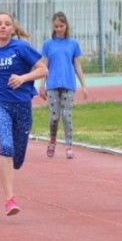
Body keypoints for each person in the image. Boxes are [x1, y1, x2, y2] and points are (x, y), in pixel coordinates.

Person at [0, 12, 47, 216]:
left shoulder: (21, 47)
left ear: (13, 29)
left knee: (17, 158)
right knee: (5, 145)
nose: (2, 27)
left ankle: (13, 163)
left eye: (7, 24)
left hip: (22, 106)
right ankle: (10, 200)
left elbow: (43, 69)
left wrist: (23, 78)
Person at [38, 11, 88, 159]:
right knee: (54, 116)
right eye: (56, 26)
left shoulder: (73, 44)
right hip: (52, 84)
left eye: (61, 26)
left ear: (66, 25)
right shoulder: (48, 44)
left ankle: (69, 145)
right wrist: (41, 85)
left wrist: (84, 85)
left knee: (66, 115)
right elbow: (44, 65)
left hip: (68, 84)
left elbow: (77, 65)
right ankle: (52, 140)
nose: (59, 29)